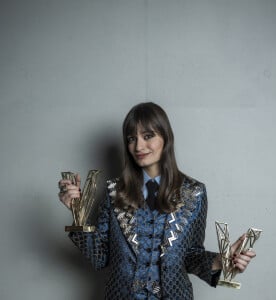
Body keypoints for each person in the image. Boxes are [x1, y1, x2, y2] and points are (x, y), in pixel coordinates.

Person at [58, 102, 256, 299]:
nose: (138, 146)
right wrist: (78, 216)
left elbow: (191, 256)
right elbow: (100, 258)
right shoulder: (113, 191)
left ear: (165, 138)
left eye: (148, 136)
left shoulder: (194, 193)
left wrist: (221, 260)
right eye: (131, 138)